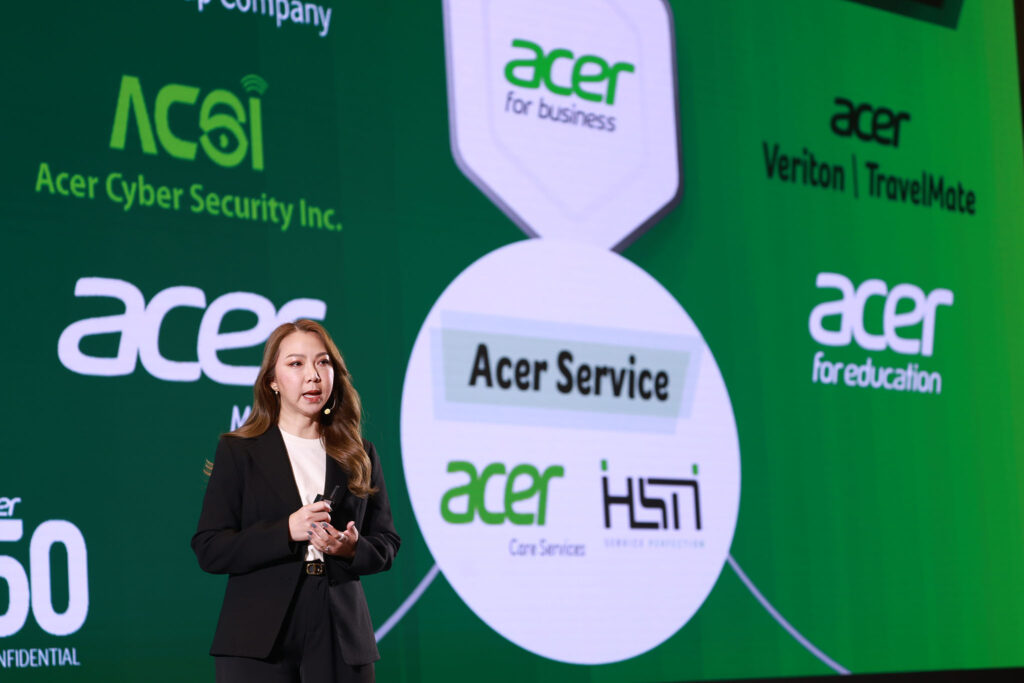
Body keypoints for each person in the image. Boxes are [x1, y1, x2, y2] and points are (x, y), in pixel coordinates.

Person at [192, 319, 400, 683]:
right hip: (257, 634)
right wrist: (287, 530)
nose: (313, 376)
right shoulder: (239, 451)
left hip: (340, 631)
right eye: (296, 363)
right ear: (272, 380)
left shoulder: (359, 453)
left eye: (323, 362)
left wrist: (350, 548)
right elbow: (210, 548)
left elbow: (387, 543)